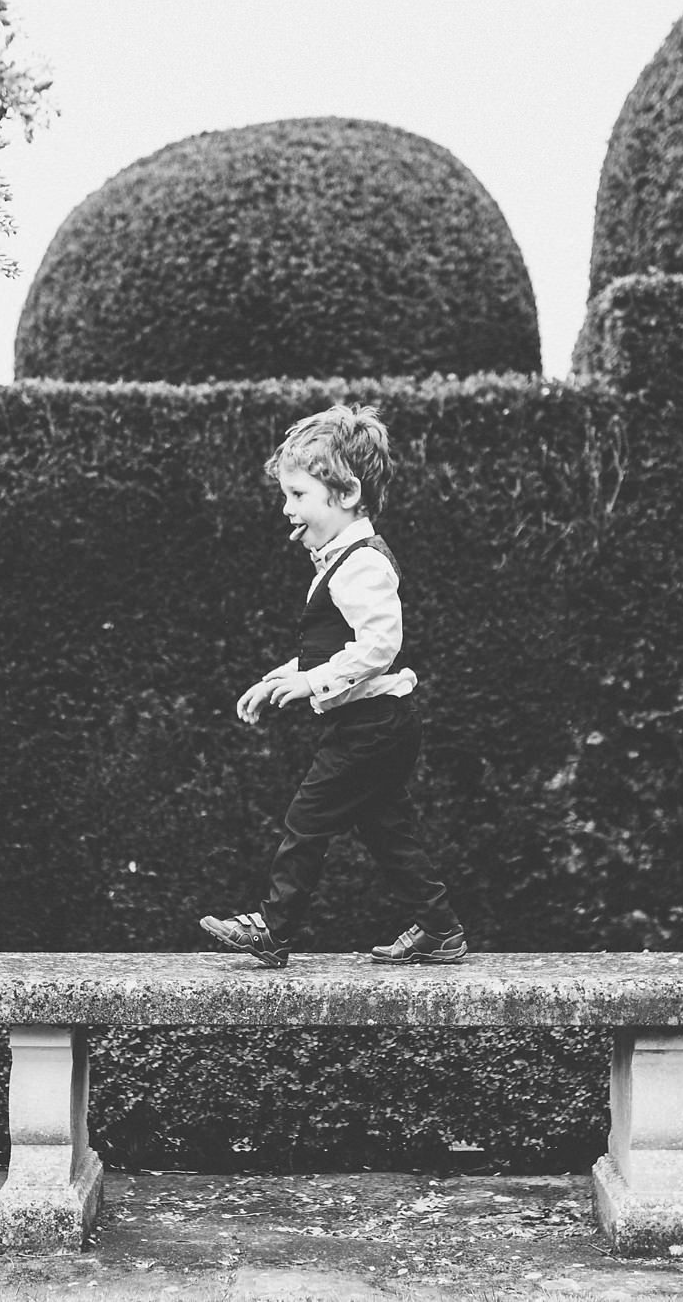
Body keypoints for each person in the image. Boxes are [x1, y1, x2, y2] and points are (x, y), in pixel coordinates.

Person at [200, 404, 466, 969]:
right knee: (386, 827)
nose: (286, 508)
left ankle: (274, 929)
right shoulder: (337, 557)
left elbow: (378, 646)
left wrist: (312, 682)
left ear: (345, 494)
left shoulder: (362, 565)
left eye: (297, 495)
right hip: (375, 724)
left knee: (308, 817)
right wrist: (281, 678)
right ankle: (439, 928)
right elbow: (334, 643)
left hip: (372, 726)